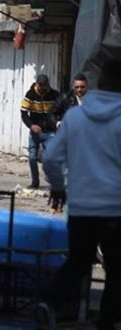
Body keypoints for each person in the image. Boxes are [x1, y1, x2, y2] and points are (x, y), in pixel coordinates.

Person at [38, 62, 121, 330]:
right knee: (116, 268)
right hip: (115, 209)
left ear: (98, 86)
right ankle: (107, 322)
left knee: (79, 261)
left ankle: (49, 302)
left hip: (82, 206)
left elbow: (50, 156)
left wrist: (58, 186)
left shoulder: (75, 117)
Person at [21, 74, 61, 189]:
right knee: (32, 157)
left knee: (51, 156)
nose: (44, 90)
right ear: (37, 85)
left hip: (50, 131)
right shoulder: (30, 95)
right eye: (42, 87)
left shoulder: (54, 94)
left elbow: (60, 109)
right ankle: (35, 182)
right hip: (35, 132)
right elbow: (23, 113)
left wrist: (58, 122)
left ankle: (53, 179)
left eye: (46, 87)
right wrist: (31, 125)